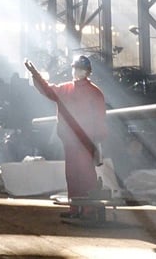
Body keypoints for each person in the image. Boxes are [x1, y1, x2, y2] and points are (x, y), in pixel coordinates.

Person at [27, 56, 108, 219]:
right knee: (72, 174)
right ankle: (75, 208)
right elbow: (48, 90)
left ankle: (88, 210)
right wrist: (35, 75)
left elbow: (99, 118)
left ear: (87, 72)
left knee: (85, 174)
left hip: (85, 140)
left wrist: (98, 140)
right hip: (70, 139)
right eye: (75, 68)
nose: (77, 71)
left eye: (80, 69)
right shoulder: (66, 89)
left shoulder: (94, 93)